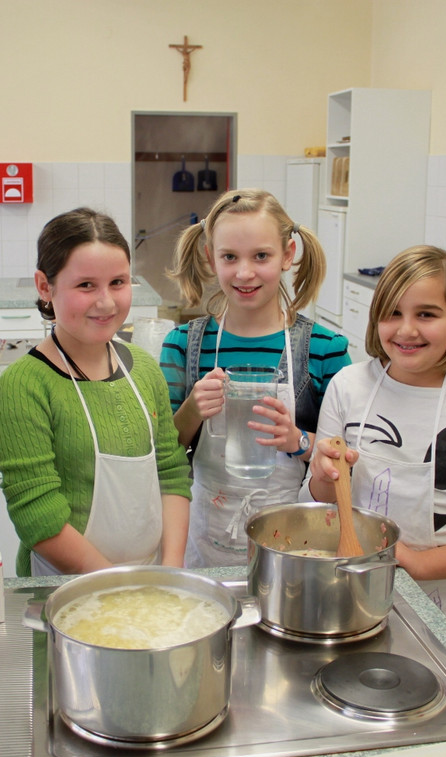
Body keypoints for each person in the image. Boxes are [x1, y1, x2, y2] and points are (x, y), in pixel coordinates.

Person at [300, 245, 446, 640]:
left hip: (443, 611)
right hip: (347, 595)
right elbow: (319, 504)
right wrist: (324, 477)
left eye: (426, 314)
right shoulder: (349, 386)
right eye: (392, 313)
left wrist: (418, 564)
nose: (406, 330)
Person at [160, 188, 351, 567]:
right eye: (229, 257)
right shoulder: (183, 344)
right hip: (205, 544)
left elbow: (345, 458)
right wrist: (192, 410)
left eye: (261, 256)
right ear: (210, 258)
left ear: (288, 255)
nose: (244, 272)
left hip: (295, 547)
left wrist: (297, 440)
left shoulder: (324, 349)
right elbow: (163, 451)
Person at [0, 208, 192, 577]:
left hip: (150, 578)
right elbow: (37, 513)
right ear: (45, 286)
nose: (106, 302)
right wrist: (119, 588)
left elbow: (170, 472)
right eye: (86, 285)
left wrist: (169, 573)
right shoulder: (25, 385)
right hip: (63, 585)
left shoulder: (144, 368)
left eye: (118, 282)